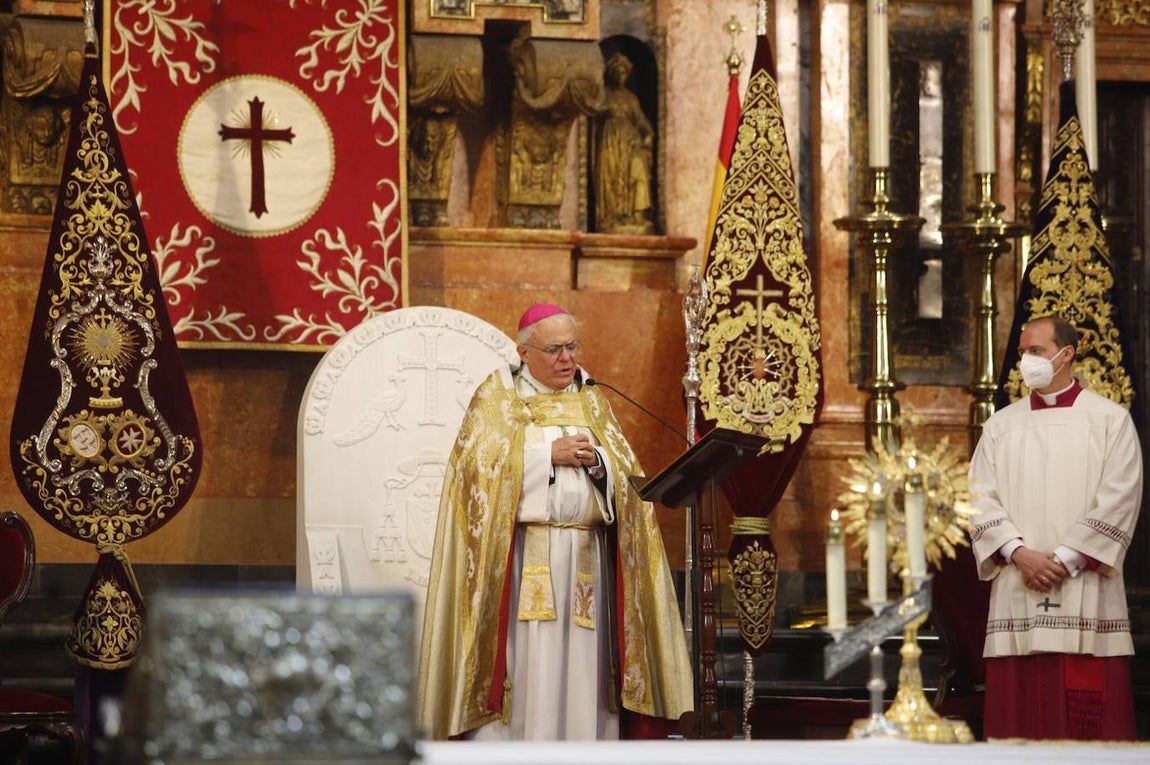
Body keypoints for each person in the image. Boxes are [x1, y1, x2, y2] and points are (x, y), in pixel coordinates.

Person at [416, 303, 693, 741]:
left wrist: (599, 465)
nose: (568, 359)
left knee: (585, 670)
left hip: (587, 561)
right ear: (524, 352)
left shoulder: (592, 398)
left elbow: (625, 475)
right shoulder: (499, 396)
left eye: (572, 347)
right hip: (524, 562)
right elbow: (474, 473)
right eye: (555, 350)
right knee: (530, 668)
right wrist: (548, 456)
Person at [969, 315, 1142, 740]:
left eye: (1037, 351)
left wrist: (1064, 559)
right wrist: (1017, 552)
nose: (1026, 360)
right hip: (1016, 583)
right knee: (1018, 718)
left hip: (1084, 584)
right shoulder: (1000, 426)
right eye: (1023, 352)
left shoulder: (1109, 420)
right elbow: (977, 497)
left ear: (1067, 354)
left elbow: (1120, 497)